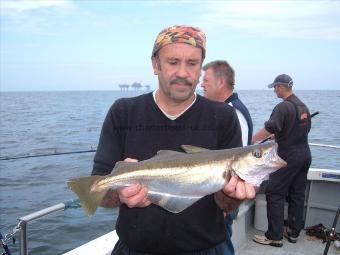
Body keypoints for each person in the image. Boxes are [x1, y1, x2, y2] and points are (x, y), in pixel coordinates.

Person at [92, 25, 256, 255]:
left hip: (208, 248)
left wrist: (231, 195)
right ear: (155, 64)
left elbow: (226, 206)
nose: (183, 72)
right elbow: (98, 193)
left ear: (200, 68)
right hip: (135, 249)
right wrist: (119, 193)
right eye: (172, 62)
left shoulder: (224, 117)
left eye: (192, 63)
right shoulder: (123, 112)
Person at [252, 74, 312, 247]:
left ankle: (274, 236)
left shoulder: (283, 107)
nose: (274, 91)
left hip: (287, 157)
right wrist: (278, 134)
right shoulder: (303, 106)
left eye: (274, 88)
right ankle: (293, 232)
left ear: (280, 87)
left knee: (275, 193)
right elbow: (299, 130)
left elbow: (269, 128)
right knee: (297, 193)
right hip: (305, 155)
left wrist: (252, 140)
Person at [201, 60, 253, 255]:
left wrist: (226, 203)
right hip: (216, 190)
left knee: (220, 244)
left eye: (205, 79)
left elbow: (239, 159)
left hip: (224, 195)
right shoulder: (228, 109)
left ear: (220, 82)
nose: (201, 84)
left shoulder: (231, 113)